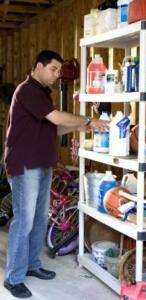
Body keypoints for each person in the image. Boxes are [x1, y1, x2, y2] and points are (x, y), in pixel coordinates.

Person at [3, 49, 108, 298]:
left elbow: (53, 128)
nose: (57, 74)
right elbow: (56, 117)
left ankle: (32, 265)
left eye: (59, 71)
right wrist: (88, 120)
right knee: (24, 220)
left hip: (41, 163)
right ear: (38, 66)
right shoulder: (27, 90)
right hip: (25, 165)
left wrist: (80, 127)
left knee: (39, 218)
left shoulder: (42, 94)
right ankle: (13, 278)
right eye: (53, 69)